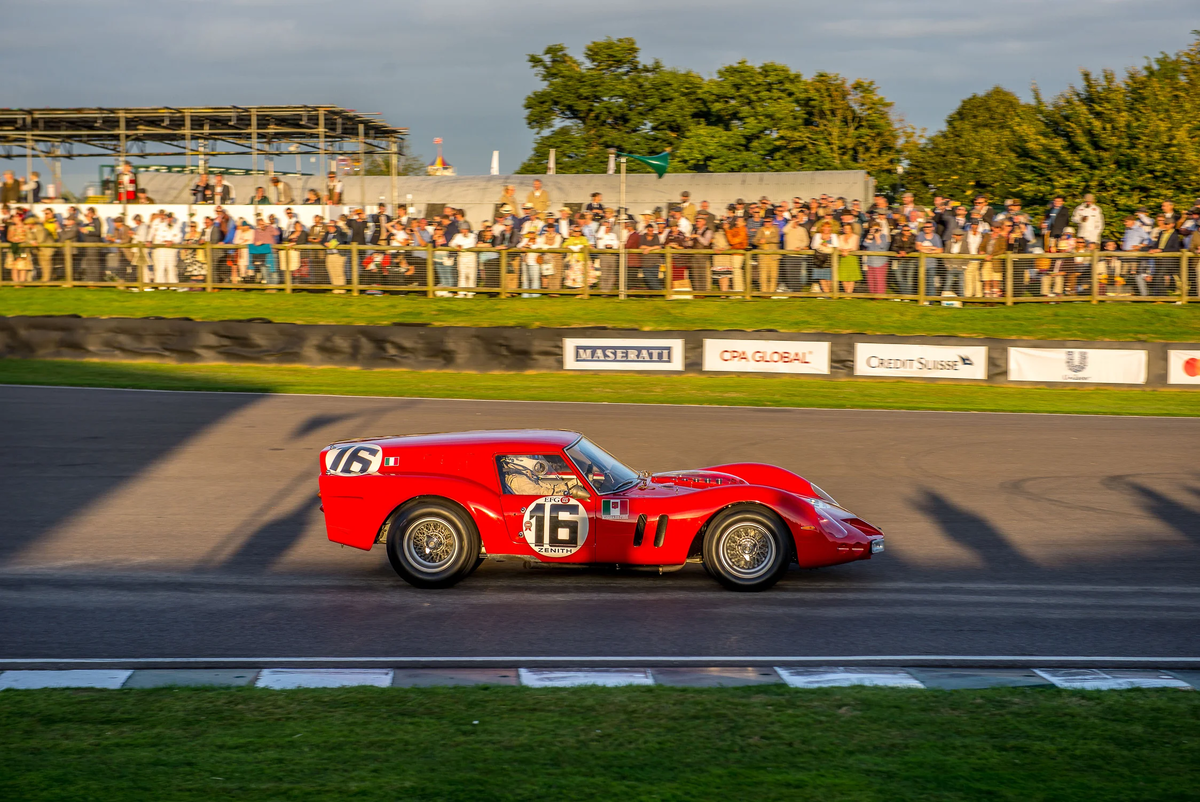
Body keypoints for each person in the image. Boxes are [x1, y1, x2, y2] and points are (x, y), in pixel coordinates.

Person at [861, 222, 890, 295]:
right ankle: (872, 295)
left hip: (880, 262)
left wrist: (877, 236)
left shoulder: (884, 236)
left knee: (879, 280)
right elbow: (865, 244)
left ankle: (880, 296)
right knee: (871, 279)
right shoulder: (870, 236)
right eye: (873, 228)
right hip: (870, 262)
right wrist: (871, 234)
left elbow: (882, 246)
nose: (875, 230)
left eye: (876, 228)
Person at [449, 224, 478, 296]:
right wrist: (456, 246)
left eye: (466, 229)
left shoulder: (473, 235)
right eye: (463, 229)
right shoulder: (457, 236)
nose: (464, 231)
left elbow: (472, 244)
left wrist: (461, 246)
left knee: (471, 275)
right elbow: (451, 243)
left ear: (468, 230)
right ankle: (461, 292)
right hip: (461, 257)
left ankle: (471, 292)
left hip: (471, 257)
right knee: (462, 275)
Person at [810, 220, 836, 293]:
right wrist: (821, 244)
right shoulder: (817, 235)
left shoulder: (833, 236)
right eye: (825, 227)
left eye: (828, 227)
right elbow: (813, 246)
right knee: (822, 277)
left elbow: (836, 245)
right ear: (822, 228)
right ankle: (826, 293)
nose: (826, 229)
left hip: (830, 258)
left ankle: (830, 293)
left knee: (829, 277)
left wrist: (827, 245)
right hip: (819, 257)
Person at [835, 222, 862, 294]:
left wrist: (847, 250)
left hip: (852, 258)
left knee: (851, 277)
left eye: (848, 228)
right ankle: (846, 292)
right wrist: (843, 250)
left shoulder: (855, 237)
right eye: (845, 228)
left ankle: (849, 293)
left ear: (851, 229)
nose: (846, 230)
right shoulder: (840, 237)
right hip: (843, 258)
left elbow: (855, 247)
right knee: (843, 276)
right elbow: (838, 246)